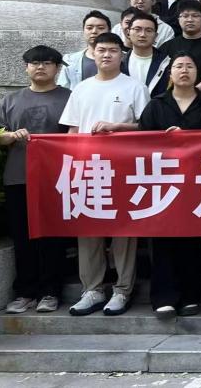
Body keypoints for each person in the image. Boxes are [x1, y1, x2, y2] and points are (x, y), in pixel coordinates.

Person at [59, 33, 151, 317]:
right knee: (88, 230)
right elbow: (72, 130)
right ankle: (92, 289)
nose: (107, 55)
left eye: (113, 50)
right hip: (88, 169)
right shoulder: (81, 89)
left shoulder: (135, 87)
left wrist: (117, 127)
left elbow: (148, 128)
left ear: (122, 55)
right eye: (101, 50)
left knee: (124, 232)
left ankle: (123, 290)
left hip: (124, 170)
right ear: (93, 53)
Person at [138, 53, 201, 320]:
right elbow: (140, 143)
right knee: (162, 239)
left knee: (190, 239)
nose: (184, 70)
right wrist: (165, 141)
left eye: (189, 66)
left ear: (197, 72)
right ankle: (164, 297)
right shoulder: (156, 105)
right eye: (178, 66)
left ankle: (191, 296)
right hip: (162, 181)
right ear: (170, 73)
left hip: (197, 182)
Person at [0, 46, 71, 315]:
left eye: (47, 63)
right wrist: (11, 136)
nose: (40, 67)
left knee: (53, 238)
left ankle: (51, 292)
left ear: (57, 68)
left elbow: (76, 136)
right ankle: (25, 292)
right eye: (35, 63)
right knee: (22, 236)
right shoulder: (11, 100)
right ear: (26, 67)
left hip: (57, 178)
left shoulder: (69, 98)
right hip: (18, 177)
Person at [58, 11, 112, 88]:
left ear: (109, 31)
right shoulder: (70, 60)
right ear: (83, 31)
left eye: (100, 28)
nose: (94, 31)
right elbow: (63, 88)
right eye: (89, 28)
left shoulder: (122, 57)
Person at [123, 12, 171, 98]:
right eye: (137, 29)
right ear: (128, 33)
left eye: (148, 30)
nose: (142, 34)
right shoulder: (119, 63)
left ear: (156, 36)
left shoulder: (167, 63)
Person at [111, 0, 176, 47]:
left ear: (153, 1)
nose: (140, 1)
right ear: (130, 1)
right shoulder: (118, 28)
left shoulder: (166, 29)